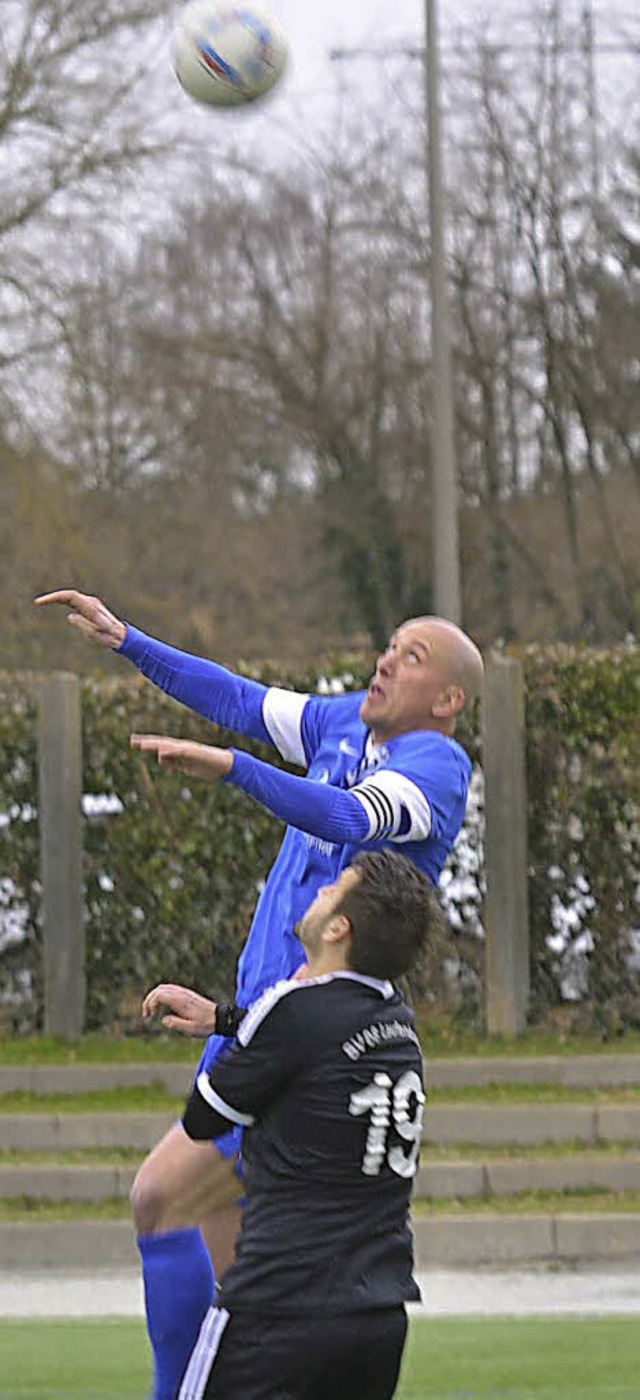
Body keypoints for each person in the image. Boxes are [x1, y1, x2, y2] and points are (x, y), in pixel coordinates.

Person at [35, 587, 483, 1400]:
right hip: (261, 1024)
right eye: (389, 643)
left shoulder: (439, 769)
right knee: (241, 1272)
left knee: (160, 1197)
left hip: (317, 1045)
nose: (386, 659)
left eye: (412, 656)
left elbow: (350, 817)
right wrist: (129, 640)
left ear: (449, 700)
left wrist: (236, 769)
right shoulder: (342, 721)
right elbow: (239, 698)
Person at [146, 849, 436, 1400]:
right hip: (377, 1317)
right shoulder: (399, 1024)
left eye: (333, 891)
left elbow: (205, 1117)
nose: (319, 893)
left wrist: (249, 1025)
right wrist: (229, 1018)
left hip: (278, 1309)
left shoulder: (294, 1009)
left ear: (339, 928)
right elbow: (315, 1041)